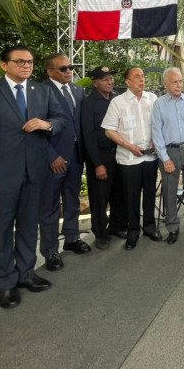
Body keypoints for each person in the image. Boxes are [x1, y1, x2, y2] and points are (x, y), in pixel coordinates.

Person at [0, 46, 66, 310]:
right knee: (0, 233)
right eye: (20, 61)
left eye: (30, 62)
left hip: (34, 173)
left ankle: (26, 274)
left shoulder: (43, 91)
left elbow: (61, 119)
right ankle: (5, 283)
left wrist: (47, 125)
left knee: (27, 226)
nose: (26, 66)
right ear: (4, 65)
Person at [40, 53, 90, 270]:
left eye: (70, 67)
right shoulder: (40, 92)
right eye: (63, 68)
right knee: (50, 207)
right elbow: (37, 130)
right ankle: (50, 251)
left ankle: (71, 239)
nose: (69, 71)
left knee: (72, 201)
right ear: (50, 71)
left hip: (76, 157)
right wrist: (52, 156)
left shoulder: (78, 91)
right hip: (53, 160)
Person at [102, 67, 161, 251]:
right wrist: (129, 146)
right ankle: (133, 232)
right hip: (128, 159)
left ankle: (150, 227)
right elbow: (109, 130)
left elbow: (160, 124)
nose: (142, 79)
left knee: (150, 194)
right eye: (137, 77)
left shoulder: (152, 99)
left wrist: (155, 140)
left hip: (150, 157)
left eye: (143, 76)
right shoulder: (118, 102)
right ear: (127, 82)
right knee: (131, 197)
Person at [151, 68, 184, 244]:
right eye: (174, 82)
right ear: (166, 84)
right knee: (169, 191)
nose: (179, 85)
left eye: (180, 81)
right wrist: (164, 158)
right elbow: (156, 133)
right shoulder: (159, 104)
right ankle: (172, 227)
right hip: (170, 152)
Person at [81, 66, 127, 250]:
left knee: (118, 193)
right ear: (94, 82)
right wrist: (97, 164)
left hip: (119, 153)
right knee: (100, 198)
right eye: (104, 79)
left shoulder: (116, 98)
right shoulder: (89, 103)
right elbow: (88, 136)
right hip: (101, 155)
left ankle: (116, 226)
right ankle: (100, 233)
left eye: (111, 78)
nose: (110, 82)